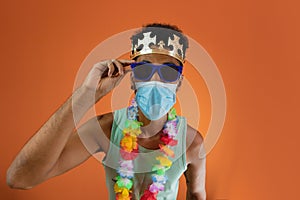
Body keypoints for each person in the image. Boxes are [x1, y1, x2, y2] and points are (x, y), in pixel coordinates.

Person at [7, 23, 206, 200]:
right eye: (144, 70)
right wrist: (87, 93)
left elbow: (196, 194)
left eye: (169, 72)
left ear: (179, 82)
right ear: (132, 78)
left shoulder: (191, 142)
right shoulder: (107, 129)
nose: (156, 80)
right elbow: (19, 178)